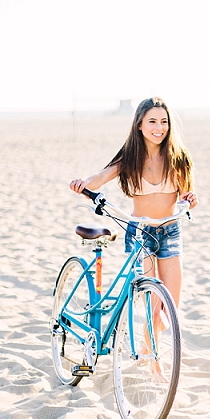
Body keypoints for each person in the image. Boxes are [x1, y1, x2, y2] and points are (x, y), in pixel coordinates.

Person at [69, 97, 198, 310]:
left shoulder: (178, 157)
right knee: (153, 306)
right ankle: (146, 346)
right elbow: (101, 177)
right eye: (152, 121)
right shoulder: (131, 157)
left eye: (164, 122)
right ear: (140, 125)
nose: (159, 128)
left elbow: (186, 195)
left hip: (170, 232)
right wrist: (83, 184)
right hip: (140, 233)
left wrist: (190, 200)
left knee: (170, 309)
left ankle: (153, 344)